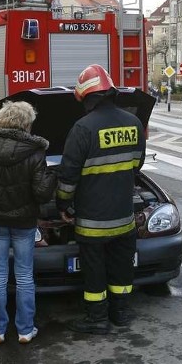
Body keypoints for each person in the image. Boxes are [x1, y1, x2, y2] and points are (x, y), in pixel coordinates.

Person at [56, 64, 146, 334]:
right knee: (121, 269)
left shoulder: (83, 128)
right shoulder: (133, 123)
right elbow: (137, 165)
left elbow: (68, 177)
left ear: (87, 97)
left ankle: (96, 320)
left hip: (93, 221)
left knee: (94, 271)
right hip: (124, 217)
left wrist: (62, 205)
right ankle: (121, 313)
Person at [0, 100, 57, 345]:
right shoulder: (35, 152)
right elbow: (41, 193)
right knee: (25, 276)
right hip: (25, 223)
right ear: (26, 123)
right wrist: (52, 178)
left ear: (1, 120)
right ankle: (25, 330)